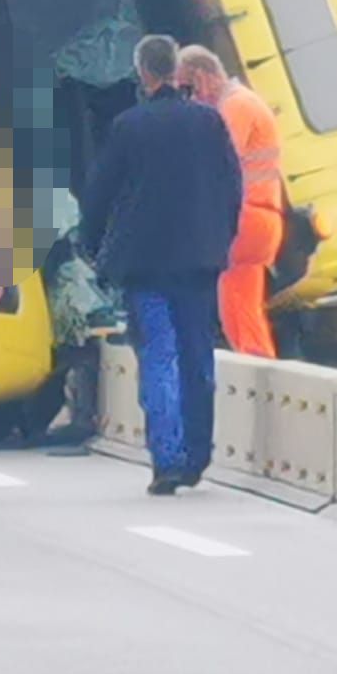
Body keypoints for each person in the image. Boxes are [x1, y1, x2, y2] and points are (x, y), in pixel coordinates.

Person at [80, 34, 242, 496]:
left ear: (143, 73)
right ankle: (197, 454)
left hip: (145, 265)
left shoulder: (129, 127)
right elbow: (233, 188)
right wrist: (220, 240)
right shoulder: (209, 123)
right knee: (198, 356)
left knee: (158, 356)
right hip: (199, 263)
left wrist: (94, 248)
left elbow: (99, 196)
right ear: (174, 70)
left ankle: (167, 458)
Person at [179, 45, 283, 359]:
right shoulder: (246, 102)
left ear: (202, 77)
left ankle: (255, 375)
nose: (191, 99)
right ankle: (263, 370)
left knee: (234, 307)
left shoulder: (235, 106)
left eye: (188, 89)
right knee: (243, 309)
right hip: (260, 219)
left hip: (245, 218)